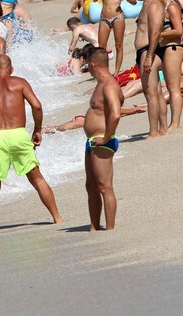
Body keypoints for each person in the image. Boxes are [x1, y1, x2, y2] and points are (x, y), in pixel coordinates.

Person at [0, 55, 62, 236]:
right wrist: (37, 130)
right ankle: (57, 218)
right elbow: (37, 106)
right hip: (18, 133)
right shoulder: (20, 82)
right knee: (37, 178)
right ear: (12, 68)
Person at [78, 45, 124, 231]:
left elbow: (115, 114)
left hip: (102, 141)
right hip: (93, 142)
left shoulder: (110, 85)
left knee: (105, 187)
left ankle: (110, 228)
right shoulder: (100, 84)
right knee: (91, 187)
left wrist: (105, 138)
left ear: (92, 64)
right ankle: (94, 226)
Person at [130, 0, 167, 138]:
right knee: (156, 92)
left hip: (149, 50)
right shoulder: (146, 4)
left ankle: (154, 131)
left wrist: (149, 56)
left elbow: (155, 31)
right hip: (145, 51)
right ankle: (163, 128)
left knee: (151, 93)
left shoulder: (153, 4)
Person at [148, 0, 183, 131]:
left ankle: (175, 124)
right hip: (166, 48)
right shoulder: (163, 7)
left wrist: (160, 34)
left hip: (174, 47)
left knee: (174, 88)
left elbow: (179, 30)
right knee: (167, 87)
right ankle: (169, 123)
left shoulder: (172, 7)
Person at [96, 0, 135, 76]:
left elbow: (134, 0)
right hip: (104, 18)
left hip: (118, 17)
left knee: (119, 45)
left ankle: (116, 72)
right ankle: (105, 71)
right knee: (101, 48)